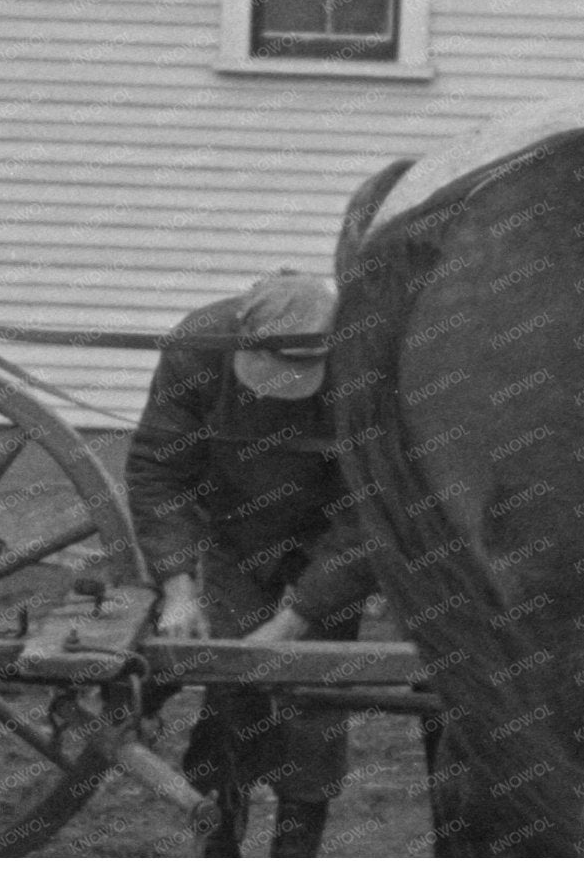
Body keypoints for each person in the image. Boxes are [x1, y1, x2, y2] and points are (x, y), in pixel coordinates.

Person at [126, 269, 373, 857]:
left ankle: (295, 854)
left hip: (325, 539)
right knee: (233, 679)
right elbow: (159, 469)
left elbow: (368, 513)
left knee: (315, 695)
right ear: (245, 336)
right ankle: (220, 849)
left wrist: (299, 614)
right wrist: (179, 587)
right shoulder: (198, 347)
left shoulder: (366, 365)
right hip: (226, 534)